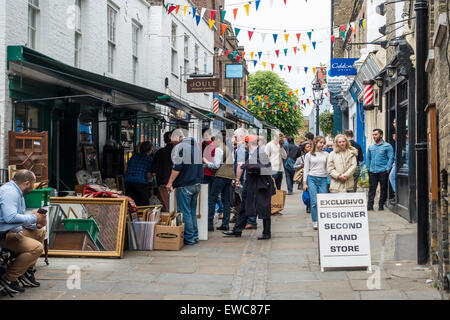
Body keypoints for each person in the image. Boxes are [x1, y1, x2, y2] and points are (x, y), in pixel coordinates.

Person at [0, 170, 47, 293]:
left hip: (10, 231)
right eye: (33, 184)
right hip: (3, 235)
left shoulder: (16, 191)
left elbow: (16, 219)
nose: (34, 186)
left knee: (40, 231)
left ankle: (26, 270)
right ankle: (10, 278)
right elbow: (10, 217)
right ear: (27, 183)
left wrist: (36, 223)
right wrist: (33, 218)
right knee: (36, 248)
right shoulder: (10, 193)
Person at [224, 135, 275, 239]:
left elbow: (268, 169)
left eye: (244, 143)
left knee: (264, 209)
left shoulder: (261, 153)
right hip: (250, 185)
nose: (243, 145)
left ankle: (266, 233)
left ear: (248, 143)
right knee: (244, 208)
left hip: (261, 187)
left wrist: (253, 169)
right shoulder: (251, 154)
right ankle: (237, 230)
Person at [166, 129, 204, 245]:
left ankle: (189, 238)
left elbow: (177, 167)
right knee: (192, 211)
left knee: (185, 212)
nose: (172, 144)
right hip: (196, 183)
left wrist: (169, 182)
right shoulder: (195, 147)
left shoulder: (181, 147)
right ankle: (194, 236)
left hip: (185, 184)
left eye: (172, 141)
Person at [204, 132, 235, 231]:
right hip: (229, 177)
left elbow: (216, 165)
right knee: (226, 201)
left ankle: (209, 225)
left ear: (218, 140)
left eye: (214, 141)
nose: (213, 143)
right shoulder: (228, 149)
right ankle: (225, 224)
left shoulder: (218, 149)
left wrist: (206, 162)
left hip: (220, 176)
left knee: (212, 198)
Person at [233, 128, 257, 230]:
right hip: (246, 178)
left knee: (248, 201)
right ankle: (242, 223)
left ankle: (251, 221)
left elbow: (240, 164)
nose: (233, 139)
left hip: (245, 178)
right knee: (245, 201)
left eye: (235, 136)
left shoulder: (242, 148)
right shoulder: (243, 147)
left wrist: (237, 179)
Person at [303, 136, 329, 230]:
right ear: (315, 143)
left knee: (323, 201)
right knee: (314, 201)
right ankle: (315, 221)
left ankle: (323, 220)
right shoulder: (309, 155)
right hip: (312, 178)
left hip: (323, 179)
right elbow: (306, 169)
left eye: (323, 143)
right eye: (321, 142)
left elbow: (328, 168)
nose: (322, 144)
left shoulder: (326, 154)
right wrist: (304, 183)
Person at [366, 129, 394, 211]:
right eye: (373, 135)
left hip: (383, 171)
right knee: (372, 189)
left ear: (381, 135)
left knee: (383, 189)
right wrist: (368, 168)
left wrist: (388, 168)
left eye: (376, 134)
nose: (374, 136)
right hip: (372, 171)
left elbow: (390, 158)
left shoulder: (387, 146)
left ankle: (381, 205)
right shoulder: (371, 147)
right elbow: (368, 158)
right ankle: (370, 206)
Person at [124, 141, 154, 206]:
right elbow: (148, 175)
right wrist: (153, 175)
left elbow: (125, 169)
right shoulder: (149, 159)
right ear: (149, 150)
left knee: (131, 204)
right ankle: (141, 216)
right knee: (144, 204)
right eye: (152, 150)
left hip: (128, 181)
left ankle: (132, 215)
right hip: (140, 183)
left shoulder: (133, 157)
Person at [151, 131, 173, 211]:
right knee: (174, 206)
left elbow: (153, 169)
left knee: (166, 206)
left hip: (162, 182)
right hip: (176, 183)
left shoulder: (159, 152)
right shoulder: (178, 152)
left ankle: (167, 221)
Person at [294, 142, 311, 212]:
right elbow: (294, 166)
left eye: (310, 146)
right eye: (307, 147)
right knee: (306, 192)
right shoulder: (300, 158)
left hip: (313, 176)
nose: (309, 148)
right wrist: (301, 166)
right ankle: (308, 205)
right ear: (304, 150)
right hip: (305, 177)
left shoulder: (314, 156)